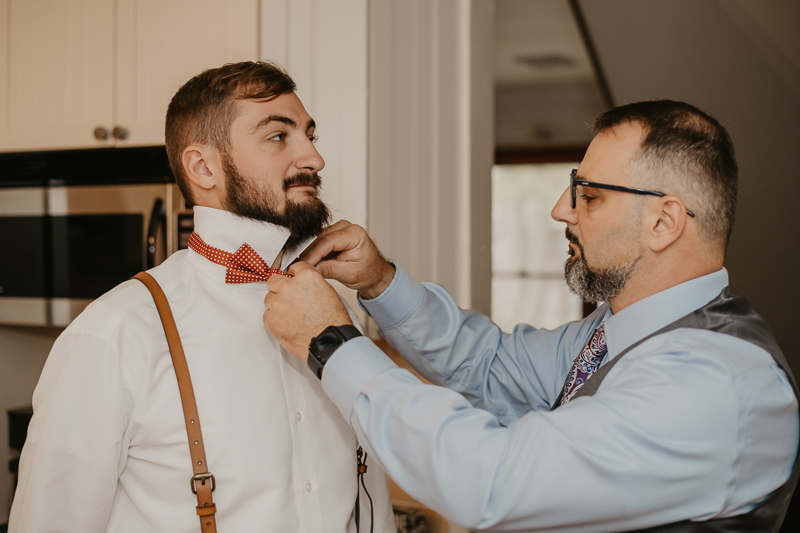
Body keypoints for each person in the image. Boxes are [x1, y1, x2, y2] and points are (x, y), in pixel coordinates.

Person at [264, 100, 799, 532]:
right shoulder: (618, 330)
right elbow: (492, 363)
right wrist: (382, 281)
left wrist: (332, 343)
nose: (560, 210)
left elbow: (490, 480)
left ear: (663, 222)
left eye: (588, 196)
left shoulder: (716, 385)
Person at [9, 61, 395, 533]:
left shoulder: (333, 309)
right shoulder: (115, 333)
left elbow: (371, 501)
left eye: (310, 135)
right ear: (203, 167)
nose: (313, 158)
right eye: (280, 136)